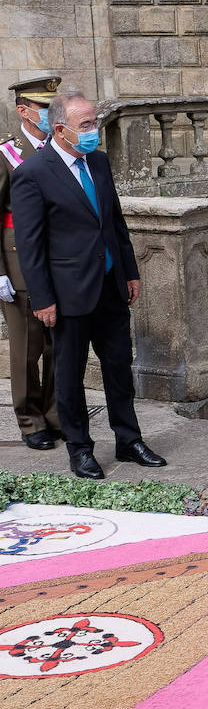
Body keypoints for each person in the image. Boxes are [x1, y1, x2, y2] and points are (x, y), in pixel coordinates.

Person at [10, 90, 165, 479]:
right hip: (67, 294)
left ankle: (129, 440)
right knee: (69, 375)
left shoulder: (98, 161)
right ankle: (80, 448)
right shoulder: (33, 173)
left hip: (110, 286)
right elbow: (30, 245)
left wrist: (129, 270)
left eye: (95, 122)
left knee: (119, 368)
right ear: (60, 130)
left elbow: (114, 223)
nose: (94, 130)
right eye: (87, 125)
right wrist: (42, 298)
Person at [1, 76, 62, 449]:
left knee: (61, 345)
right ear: (23, 110)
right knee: (27, 347)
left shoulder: (62, 146)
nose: (50, 114)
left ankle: (56, 413)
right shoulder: (8, 153)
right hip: (19, 261)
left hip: (60, 261)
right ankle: (29, 419)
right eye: (44, 108)